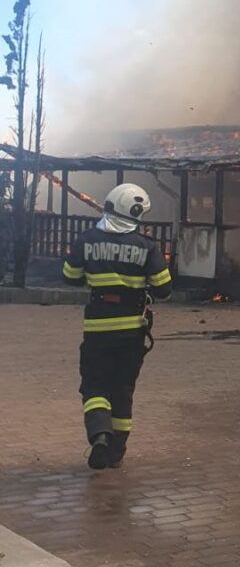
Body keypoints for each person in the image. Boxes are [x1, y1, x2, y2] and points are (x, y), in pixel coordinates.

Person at [62, 183, 172, 469]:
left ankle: (99, 435)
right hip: (132, 329)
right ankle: (116, 452)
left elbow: (70, 277)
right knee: (123, 388)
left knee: (95, 385)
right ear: (134, 212)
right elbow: (163, 289)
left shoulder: (86, 239)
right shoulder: (146, 246)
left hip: (98, 326)